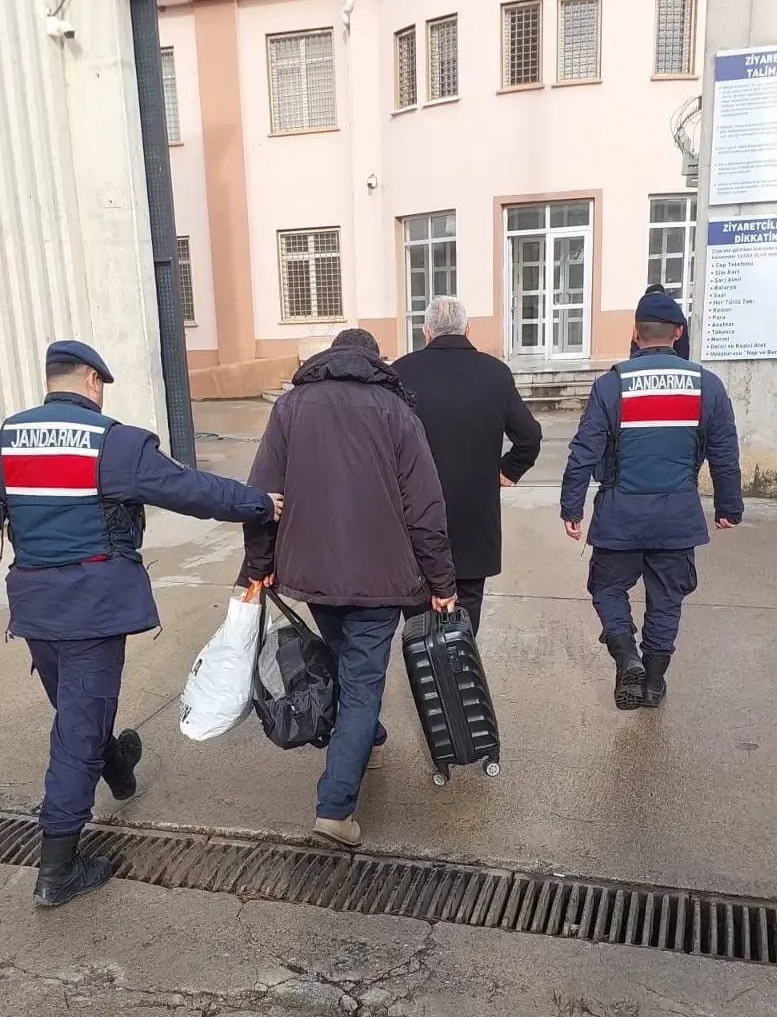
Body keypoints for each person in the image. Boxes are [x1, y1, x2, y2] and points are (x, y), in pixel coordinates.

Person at [0, 339, 281, 908]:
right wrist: (259, 502)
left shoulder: (6, 443)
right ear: (93, 381)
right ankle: (58, 869)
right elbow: (190, 490)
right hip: (92, 610)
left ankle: (117, 763)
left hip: (38, 610)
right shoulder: (112, 442)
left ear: (52, 381)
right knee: (76, 729)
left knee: (78, 710)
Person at [242, 328, 457, 850]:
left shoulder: (290, 407)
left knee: (346, 663)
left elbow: (262, 495)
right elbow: (425, 506)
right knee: (361, 683)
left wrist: (259, 564)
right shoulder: (396, 410)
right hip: (381, 578)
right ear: (375, 361)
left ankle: (369, 737)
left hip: (314, 573)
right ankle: (334, 810)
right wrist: (442, 581)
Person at [560, 291, 743, 710]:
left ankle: (627, 656)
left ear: (635, 333)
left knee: (607, 587)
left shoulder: (611, 384)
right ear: (678, 333)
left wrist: (572, 507)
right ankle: (654, 683)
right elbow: (724, 454)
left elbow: (584, 451)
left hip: (620, 517)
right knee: (666, 600)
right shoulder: (707, 385)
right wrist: (728, 507)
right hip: (677, 518)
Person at [394, 296, 542, 636]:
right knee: (466, 609)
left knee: (418, 615)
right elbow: (530, 436)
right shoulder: (495, 372)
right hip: (474, 514)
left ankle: (425, 666)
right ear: (468, 329)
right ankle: (461, 664)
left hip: (414, 511)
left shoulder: (400, 372)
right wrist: (507, 470)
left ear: (426, 331)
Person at [630, 283, 690, 361]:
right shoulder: (675, 316)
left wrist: (633, 363)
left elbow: (683, 347)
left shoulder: (642, 314)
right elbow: (684, 348)